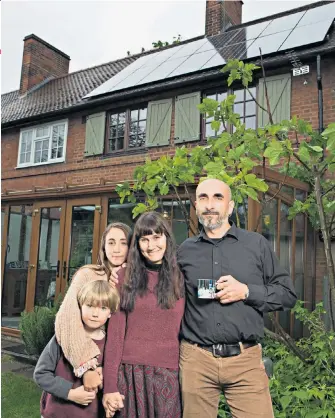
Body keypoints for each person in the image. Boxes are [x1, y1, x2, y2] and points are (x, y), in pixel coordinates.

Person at [177, 178, 297, 418]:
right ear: (196, 205)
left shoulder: (256, 245)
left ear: (230, 207)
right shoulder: (184, 250)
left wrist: (247, 292)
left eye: (217, 197)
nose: (210, 204)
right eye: (203, 198)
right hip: (196, 361)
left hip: (246, 360)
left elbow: (287, 294)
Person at [102, 211, 185, 418]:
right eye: (144, 239)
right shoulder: (123, 277)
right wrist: (109, 386)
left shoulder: (182, 277)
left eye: (157, 237)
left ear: (167, 238)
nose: (151, 245)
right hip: (129, 375)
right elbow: (115, 335)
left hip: (168, 375)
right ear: (137, 244)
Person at [54, 222, 132, 391]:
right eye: (111, 242)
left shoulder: (135, 280)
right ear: (103, 247)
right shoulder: (88, 275)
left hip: (121, 367)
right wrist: (86, 367)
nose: (116, 249)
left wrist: (125, 276)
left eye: (123, 243)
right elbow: (67, 318)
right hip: (84, 362)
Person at [34, 280, 120, 418]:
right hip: (56, 413)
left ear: (111, 312)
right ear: (80, 306)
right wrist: (70, 393)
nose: (95, 313)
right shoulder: (63, 337)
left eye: (103, 308)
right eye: (90, 306)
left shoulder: (111, 344)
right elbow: (41, 374)